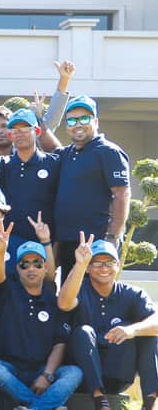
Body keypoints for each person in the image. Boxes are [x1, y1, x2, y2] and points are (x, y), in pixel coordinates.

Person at [59, 236, 158, 410]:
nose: (103, 268)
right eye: (96, 263)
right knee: (83, 332)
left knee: (148, 332)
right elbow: (64, 303)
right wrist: (79, 264)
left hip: (118, 373)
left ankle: (149, 405)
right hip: (85, 377)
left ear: (118, 266)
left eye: (109, 262)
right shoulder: (79, 289)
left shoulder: (132, 293)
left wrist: (132, 330)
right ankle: (101, 404)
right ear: (88, 268)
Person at [0, 236, 81, 410]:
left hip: (42, 369)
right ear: (17, 269)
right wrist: (0, 251)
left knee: (74, 372)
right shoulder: (7, 293)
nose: (31, 269)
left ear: (46, 268)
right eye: (24, 264)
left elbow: (60, 343)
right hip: (11, 369)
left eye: (37, 263)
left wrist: (47, 375)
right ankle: (44, 409)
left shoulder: (56, 301)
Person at [53, 96, 131, 280]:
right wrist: (40, 119)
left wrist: (112, 237)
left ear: (95, 121)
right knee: (68, 295)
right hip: (67, 242)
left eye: (84, 119)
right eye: (72, 120)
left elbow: (121, 194)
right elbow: (48, 146)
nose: (77, 124)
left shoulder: (108, 151)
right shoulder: (68, 153)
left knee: (94, 296)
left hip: (96, 243)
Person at [0, 109, 61, 243]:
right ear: (10, 135)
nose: (20, 134)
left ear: (37, 131)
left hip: (44, 242)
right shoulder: (3, 163)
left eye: (25, 129)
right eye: (15, 131)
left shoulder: (54, 163)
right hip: (10, 242)